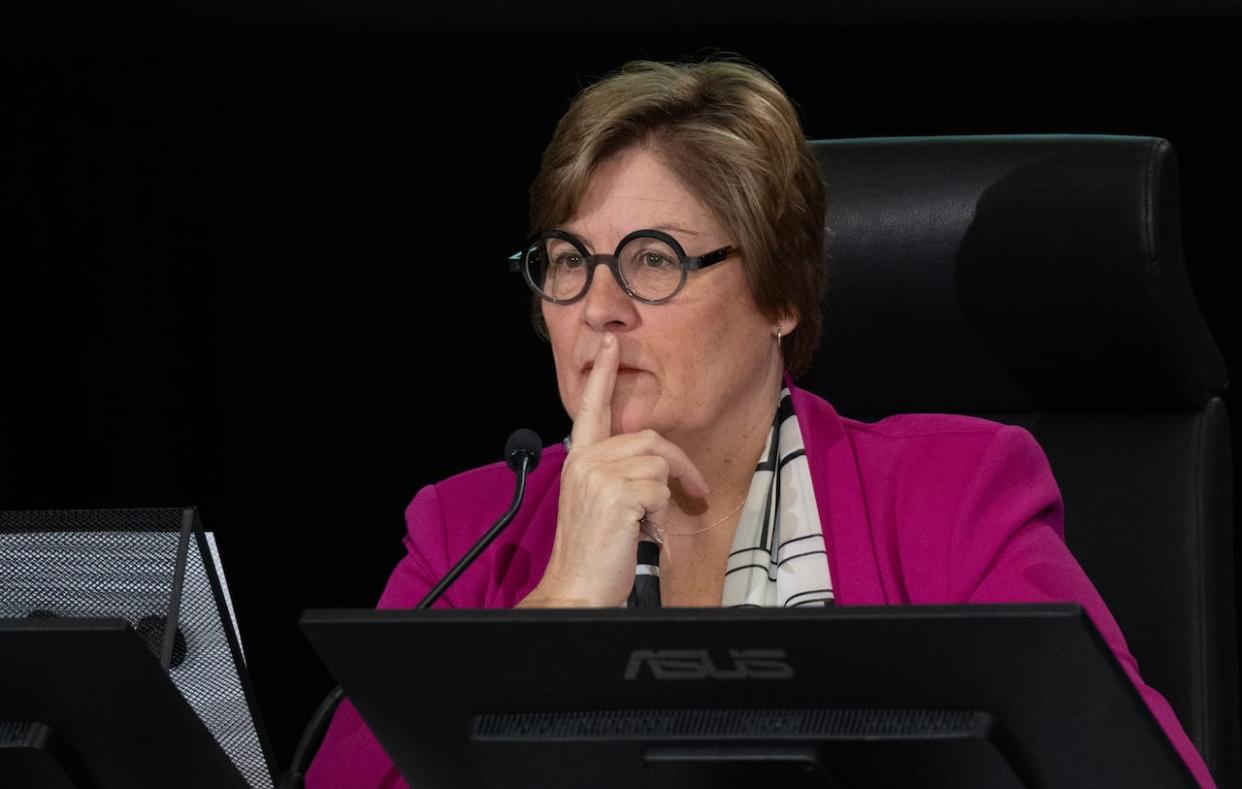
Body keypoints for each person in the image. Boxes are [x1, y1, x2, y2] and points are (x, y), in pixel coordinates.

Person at [306, 58, 1215, 787]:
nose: (600, 308)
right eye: (568, 261)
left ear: (781, 293)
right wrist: (557, 607)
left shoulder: (956, 495)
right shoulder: (467, 532)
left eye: (653, 259)